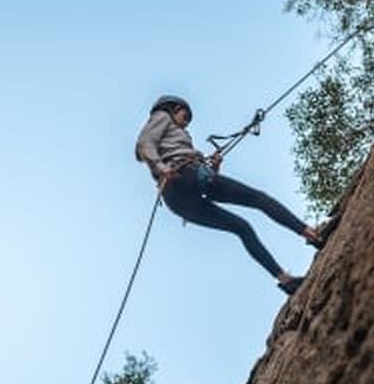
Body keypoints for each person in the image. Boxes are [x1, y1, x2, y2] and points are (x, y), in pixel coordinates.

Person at [136, 95, 323, 295]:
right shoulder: (162, 116)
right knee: (259, 199)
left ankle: (285, 280)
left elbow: (203, 181)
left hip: (178, 198)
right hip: (183, 176)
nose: (186, 122)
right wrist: (161, 167)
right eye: (185, 115)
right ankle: (312, 234)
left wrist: (214, 168)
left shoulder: (177, 135)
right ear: (173, 108)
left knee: (242, 227)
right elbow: (144, 144)